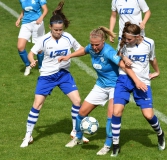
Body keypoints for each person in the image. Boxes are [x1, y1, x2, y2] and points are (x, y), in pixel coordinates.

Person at [61, 26, 145, 155]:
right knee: (81, 113)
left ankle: (107, 145)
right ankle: (78, 138)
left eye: (97, 45)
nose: (94, 47)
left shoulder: (108, 52)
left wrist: (137, 80)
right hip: (100, 85)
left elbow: (123, 65)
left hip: (115, 86)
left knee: (111, 116)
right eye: (92, 44)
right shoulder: (91, 48)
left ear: (103, 42)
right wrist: (69, 56)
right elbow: (84, 50)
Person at [20, 1, 88, 148]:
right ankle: (28, 135)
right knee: (37, 105)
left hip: (64, 74)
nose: (59, 32)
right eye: (56, 30)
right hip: (47, 76)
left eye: (60, 30)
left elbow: (82, 49)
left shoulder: (68, 37)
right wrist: (31, 61)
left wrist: (70, 56)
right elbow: (31, 53)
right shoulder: (43, 40)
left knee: (77, 101)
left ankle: (75, 131)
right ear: (50, 27)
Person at [110, 22, 165, 157]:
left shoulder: (149, 43)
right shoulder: (123, 42)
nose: (126, 41)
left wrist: (157, 71)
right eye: (125, 38)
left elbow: (152, 59)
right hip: (125, 79)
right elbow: (120, 57)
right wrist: (124, 57)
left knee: (148, 115)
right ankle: (115, 145)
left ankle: (160, 133)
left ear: (138, 36)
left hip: (143, 81)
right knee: (116, 112)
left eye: (130, 39)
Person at [16, 0, 48, 76]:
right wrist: (19, 18)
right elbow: (24, 9)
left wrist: (41, 18)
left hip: (37, 23)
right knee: (20, 47)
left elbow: (45, 10)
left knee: (39, 49)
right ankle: (28, 66)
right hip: (26, 24)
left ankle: (40, 67)